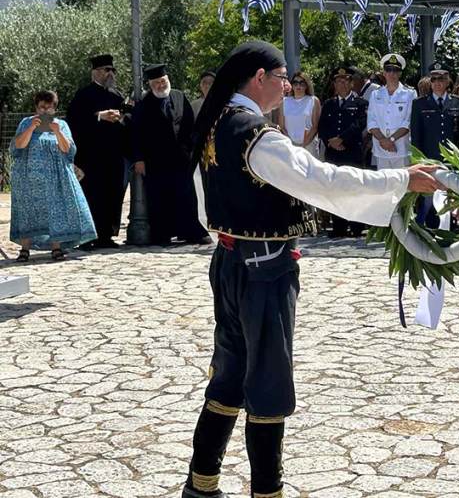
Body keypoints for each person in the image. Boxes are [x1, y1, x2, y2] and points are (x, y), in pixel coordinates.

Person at [183, 41, 438, 498]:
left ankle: (201, 484)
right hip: (264, 268)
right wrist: (400, 179)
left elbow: (205, 205)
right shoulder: (254, 134)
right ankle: (267, 491)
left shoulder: (215, 122)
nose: (287, 85)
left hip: (228, 260)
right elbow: (323, 180)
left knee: (229, 373)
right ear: (259, 78)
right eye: (282, 77)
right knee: (267, 382)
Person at [10, 90, 96, 261]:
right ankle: (24, 249)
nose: (45, 111)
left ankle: (56, 247)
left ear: (54, 109)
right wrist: (31, 128)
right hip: (28, 177)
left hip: (56, 177)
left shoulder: (61, 125)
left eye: (49, 108)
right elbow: (18, 146)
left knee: (55, 210)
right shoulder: (26, 123)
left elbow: (68, 150)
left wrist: (57, 132)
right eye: (42, 107)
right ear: (36, 107)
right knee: (27, 211)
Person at [131, 64, 210, 246]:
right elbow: (136, 133)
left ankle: (191, 232)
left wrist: (194, 150)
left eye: (163, 81)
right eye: (157, 82)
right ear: (151, 85)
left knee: (187, 196)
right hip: (156, 160)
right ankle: (162, 235)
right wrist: (138, 159)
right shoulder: (144, 105)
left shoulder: (179, 96)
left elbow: (191, 125)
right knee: (160, 199)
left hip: (182, 159)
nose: (161, 85)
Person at [66, 54, 129, 249]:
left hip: (113, 156)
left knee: (112, 195)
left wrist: (121, 118)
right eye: (106, 70)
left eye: (112, 70)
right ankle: (86, 237)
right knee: (91, 196)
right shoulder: (83, 95)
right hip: (90, 157)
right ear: (95, 72)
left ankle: (106, 235)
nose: (110, 74)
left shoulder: (117, 96)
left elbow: (129, 119)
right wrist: (99, 117)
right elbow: (74, 122)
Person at [318, 67, 369, 237]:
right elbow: (322, 126)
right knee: (336, 189)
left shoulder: (360, 103)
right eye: (339, 81)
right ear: (334, 84)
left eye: (345, 80)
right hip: (334, 153)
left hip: (352, 151)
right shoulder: (329, 104)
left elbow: (360, 124)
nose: (342, 84)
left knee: (354, 188)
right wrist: (330, 141)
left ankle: (356, 226)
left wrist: (342, 139)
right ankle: (339, 226)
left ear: (351, 83)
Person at [411, 63, 459, 227]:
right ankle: (424, 226)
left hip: (451, 159)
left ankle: (449, 227)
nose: (438, 83)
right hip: (429, 158)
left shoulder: (457, 103)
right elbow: (416, 135)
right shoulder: (419, 104)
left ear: (448, 81)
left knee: (450, 195)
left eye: (441, 79)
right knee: (428, 195)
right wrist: (418, 159)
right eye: (434, 79)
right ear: (430, 82)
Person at [367, 53, 415, 170]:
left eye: (395, 70)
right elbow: (371, 122)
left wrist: (391, 140)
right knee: (383, 186)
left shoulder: (410, 94)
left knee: (403, 185)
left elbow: (408, 122)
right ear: (384, 73)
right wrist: (384, 141)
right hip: (381, 148)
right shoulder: (375, 94)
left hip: (401, 149)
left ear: (400, 73)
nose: (392, 73)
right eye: (388, 70)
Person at [282, 72, 321, 158]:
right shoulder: (284, 101)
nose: (298, 86)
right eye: (295, 83)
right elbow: (281, 126)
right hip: (290, 145)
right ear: (292, 85)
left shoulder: (313, 100)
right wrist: (291, 144)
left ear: (307, 85)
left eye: (302, 83)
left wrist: (303, 145)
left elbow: (315, 127)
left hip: (309, 145)